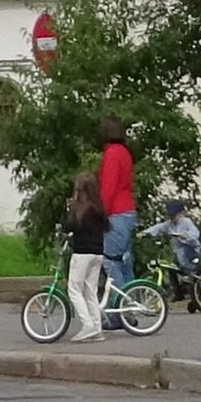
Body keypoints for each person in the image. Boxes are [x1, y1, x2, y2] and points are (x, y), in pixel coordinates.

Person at [63, 170, 110, 342]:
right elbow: (107, 227)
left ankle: (87, 325)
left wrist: (69, 209)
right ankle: (97, 328)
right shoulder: (98, 207)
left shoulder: (80, 207)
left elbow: (70, 226)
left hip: (82, 253)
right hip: (97, 253)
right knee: (90, 291)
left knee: (74, 289)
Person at [98, 115, 140, 298]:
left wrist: (100, 214)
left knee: (110, 261)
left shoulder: (112, 154)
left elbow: (109, 187)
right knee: (124, 262)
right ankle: (131, 302)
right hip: (127, 210)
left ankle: (123, 307)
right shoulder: (124, 152)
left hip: (116, 213)